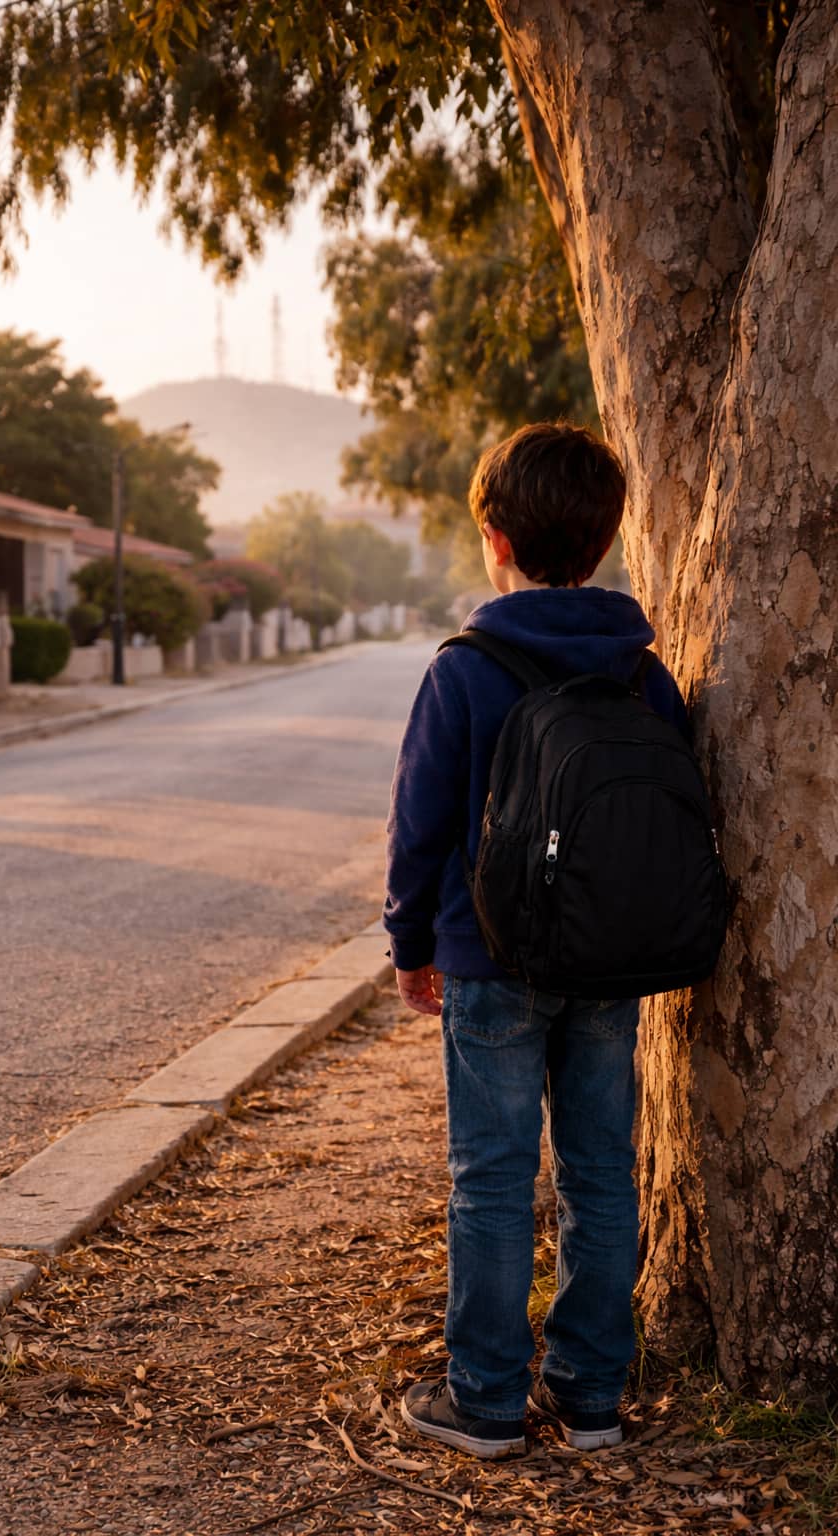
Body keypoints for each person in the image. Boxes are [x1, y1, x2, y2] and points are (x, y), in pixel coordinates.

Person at [384, 422, 690, 1459]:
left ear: (492, 536)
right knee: (601, 1171)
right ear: (602, 542)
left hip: (491, 961)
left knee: (494, 1177)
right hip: (612, 958)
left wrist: (409, 942)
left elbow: (421, 825)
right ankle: (592, 1397)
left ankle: (485, 1402)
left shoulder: (465, 668)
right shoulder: (642, 672)